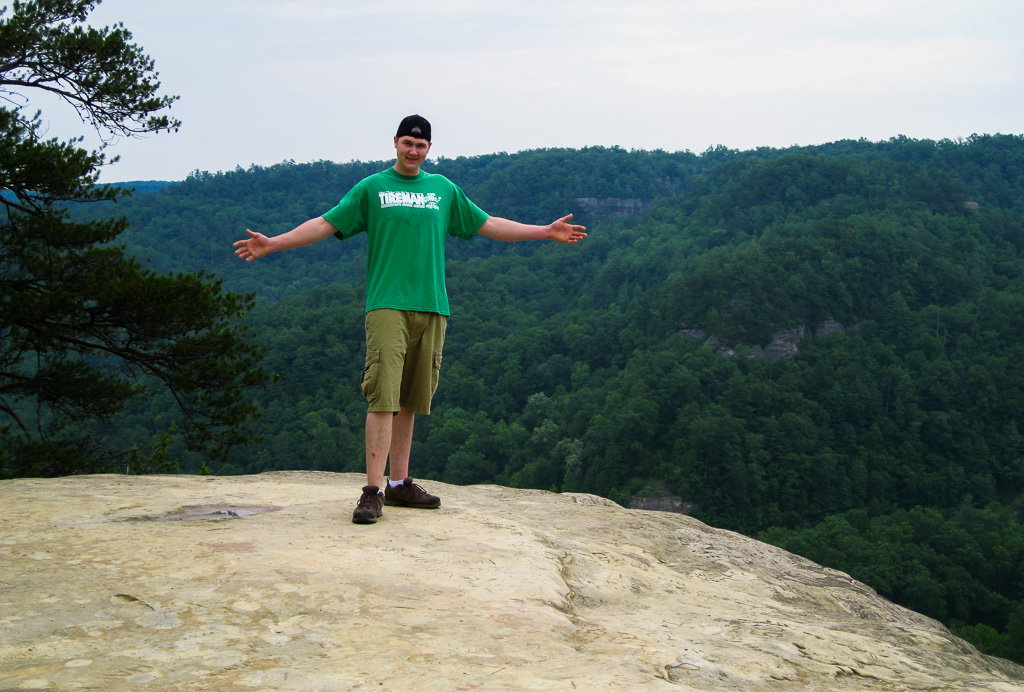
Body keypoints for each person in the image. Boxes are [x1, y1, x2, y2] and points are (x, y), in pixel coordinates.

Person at [233, 114, 587, 524]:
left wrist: (544, 231)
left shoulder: (443, 190)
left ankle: (400, 485)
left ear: (429, 149)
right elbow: (326, 223)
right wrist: (273, 244)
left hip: (433, 305)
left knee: (411, 401)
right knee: (383, 396)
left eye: (420, 146)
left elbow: (488, 223)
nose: (413, 151)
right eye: (407, 143)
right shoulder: (372, 188)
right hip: (387, 304)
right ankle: (372, 490)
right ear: (395, 143)